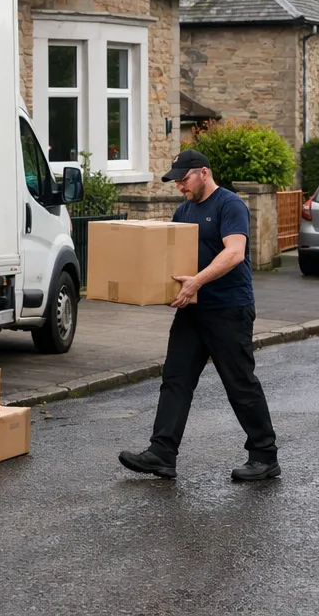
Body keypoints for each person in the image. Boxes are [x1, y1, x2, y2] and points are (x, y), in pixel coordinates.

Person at [118, 149, 280, 482]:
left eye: (184, 178)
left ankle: (265, 456)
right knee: (175, 379)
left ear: (204, 172)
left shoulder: (229, 205)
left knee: (240, 384)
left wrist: (197, 282)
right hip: (193, 310)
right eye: (176, 180)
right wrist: (166, 289)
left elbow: (234, 252)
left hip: (229, 309)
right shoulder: (184, 210)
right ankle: (162, 453)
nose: (179, 185)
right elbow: (174, 259)